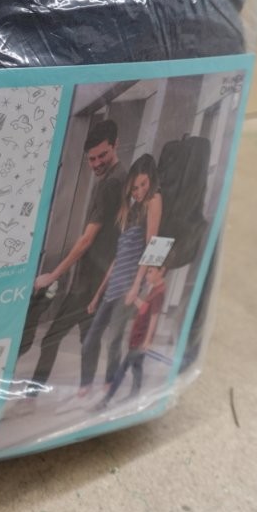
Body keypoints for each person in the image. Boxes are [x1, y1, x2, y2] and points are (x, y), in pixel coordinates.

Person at [16, 119, 125, 397]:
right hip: (102, 276)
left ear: (116, 145)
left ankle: (32, 394)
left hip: (90, 282)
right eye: (92, 158)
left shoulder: (111, 184)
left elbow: (87, 239)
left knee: (52, 339)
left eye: (102, 155)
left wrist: (53, 275)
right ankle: (86, 391)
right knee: (89, 336)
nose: (97, 163)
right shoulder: (121, 176)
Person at [80, 153, 163, 396]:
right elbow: (118, 259)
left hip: (130, 286)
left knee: (114, 338)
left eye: (143, 184)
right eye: (135, 187)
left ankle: (109, 383)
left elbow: (154, 244)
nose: (139, 191)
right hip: (114, 286)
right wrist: (97, 295)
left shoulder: (154, 199)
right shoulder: (132, 212)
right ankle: (86, 384)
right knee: (91, 338)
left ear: (151, 181)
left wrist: (138, 286)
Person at [96, 265, 168, 410]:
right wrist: (134, 296)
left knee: (122, 370)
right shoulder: (154, 289)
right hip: (138, 336)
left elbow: (154, 318)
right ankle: (134, 396)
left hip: (140, 339)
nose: (147, 275)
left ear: (162, 271)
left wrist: (147, 341)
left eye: (150, 271)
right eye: (147, 272)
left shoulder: (159, 292)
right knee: (137, 368)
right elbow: (145, 309)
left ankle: (106, 400)